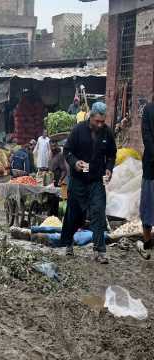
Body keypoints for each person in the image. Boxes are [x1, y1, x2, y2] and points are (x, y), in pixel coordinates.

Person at [61, 102, 117, 263]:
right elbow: (67, 151)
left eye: (102, 121)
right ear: (90, 117)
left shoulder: (107, 133)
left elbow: (112, 154)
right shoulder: (78, 130)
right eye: (97, 121)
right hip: (78, 180)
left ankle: (99, 251)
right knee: (74, 214)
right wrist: (75, 163)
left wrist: (109, 168)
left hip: (96, 180)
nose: (99, 125)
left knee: (98, 212)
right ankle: (69, 243)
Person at [137, 99, 154, 259]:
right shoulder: (149, 110)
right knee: (148, 204)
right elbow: (147, 137)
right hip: (151, 166)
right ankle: (147, 239)